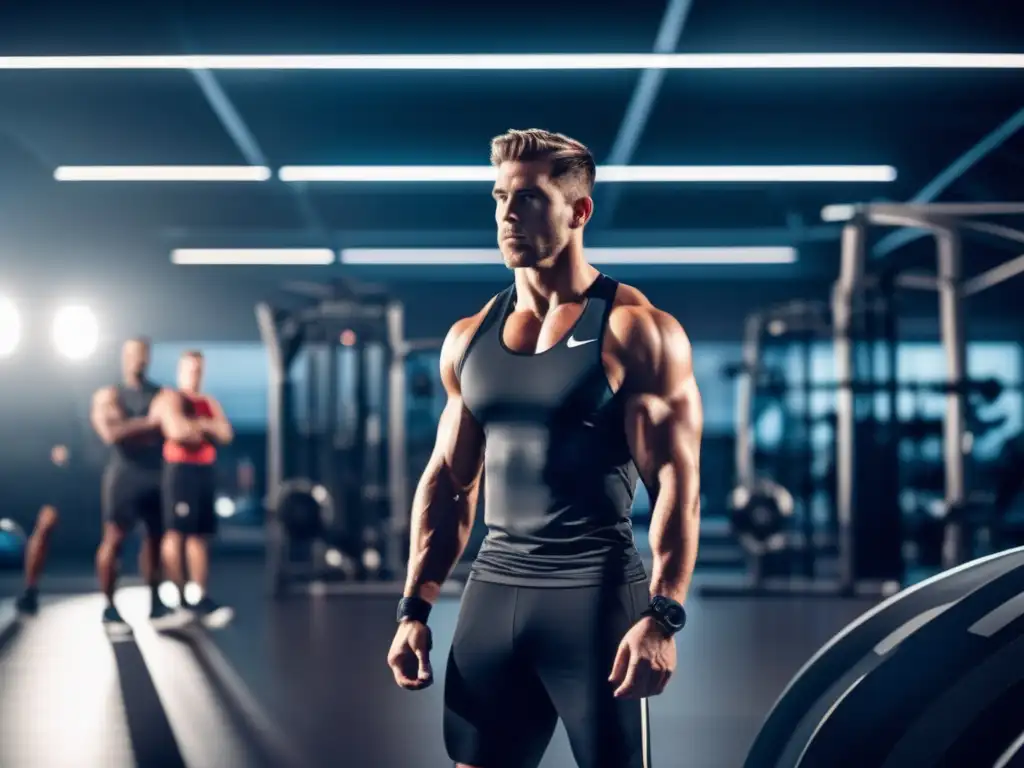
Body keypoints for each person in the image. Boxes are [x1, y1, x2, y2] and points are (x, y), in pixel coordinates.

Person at [386, 129, 703, 768]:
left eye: (527, 198)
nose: (506, 213)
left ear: (578, 211)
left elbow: (676, 483)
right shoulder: (467, 339)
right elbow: (449, 481)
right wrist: (414, 606)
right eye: (499, 196)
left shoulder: (634, 330)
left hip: (596, 601)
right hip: (492, 595)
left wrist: (664, 615)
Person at [91, 337, 175, 634]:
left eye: (143, 354)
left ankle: (156, 603)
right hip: (124, 476)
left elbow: (172, 427)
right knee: (114, 539)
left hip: (155, 476)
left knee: (155, 541)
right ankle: (110, 608)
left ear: (148, 357)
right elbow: (111, 433)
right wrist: (150, 424)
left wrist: (134, 427)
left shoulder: (162, 393)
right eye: (133, 354)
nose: (139, 360)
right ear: (124, 356)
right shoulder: (109, 394)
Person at [150, 349, 234, 628]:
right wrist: (205, 429)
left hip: (203, 472)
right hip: (180, 472)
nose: (194, 374)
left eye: (198, 369)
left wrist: (198, 426)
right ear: (180, 370)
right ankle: (178, 597)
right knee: (175, 532)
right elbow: (177, 432)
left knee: (199, 536)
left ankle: (199, 597)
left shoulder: (208, 402)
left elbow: (225, 433)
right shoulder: (171, 398)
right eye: (189, 369)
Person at [14, 445, 70, 615]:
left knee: (43, 528)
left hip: (48, 473)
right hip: (18, 468)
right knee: (40, 530)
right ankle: (30, 590)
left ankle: (30, 590)